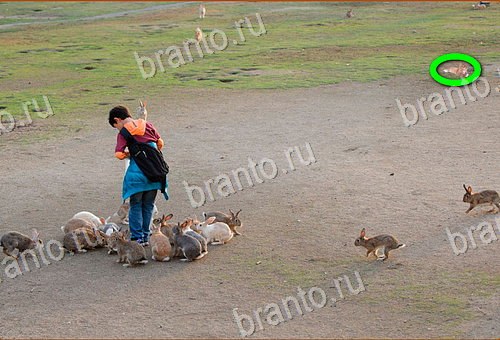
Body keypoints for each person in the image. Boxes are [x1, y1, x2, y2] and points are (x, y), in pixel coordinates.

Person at [108, 105, 168, 246]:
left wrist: (132, 154)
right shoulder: (148, 125)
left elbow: (119, 154)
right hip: (155, 173)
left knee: (135, 205)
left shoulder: (123, 132)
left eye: (116, 125)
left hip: (138, 175)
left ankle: (137, 237)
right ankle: (146, 237)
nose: (117, 128)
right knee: (148, 205)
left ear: (117, 120)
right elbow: (160, 143)